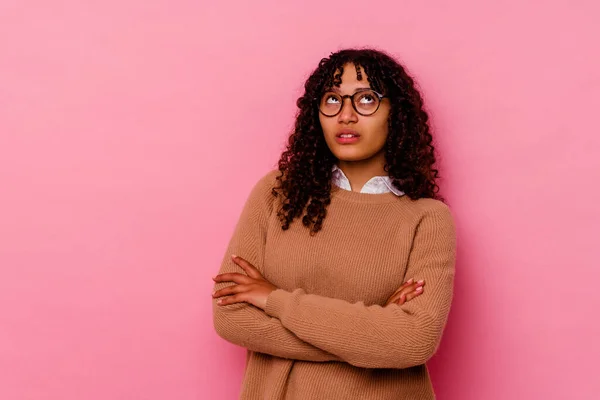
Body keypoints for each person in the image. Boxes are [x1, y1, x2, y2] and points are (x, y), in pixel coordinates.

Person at [211, 48, 456, 399]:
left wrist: (274, 300)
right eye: (332, 100)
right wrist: (371, 332)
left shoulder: (428, 218)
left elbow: (414, 341)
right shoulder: (276, 194)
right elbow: (231, 316)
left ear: (395, 114)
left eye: (366, 99)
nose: (346, 115)